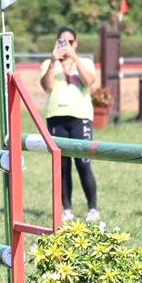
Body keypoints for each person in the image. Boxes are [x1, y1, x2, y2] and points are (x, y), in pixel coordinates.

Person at [39, 27, 100, 222]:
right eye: (62, 42)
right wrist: (53, 62)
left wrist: (74, 57)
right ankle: (67, 209)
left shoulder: (85, 62)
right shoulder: (49, 63)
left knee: (83, 163)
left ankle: (93, 208)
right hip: (56, 116)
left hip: (80, 117)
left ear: (76, 43)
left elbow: (88, 81)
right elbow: (47, 86)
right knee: (62, 165)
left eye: (70, 42)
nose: (67, 45)